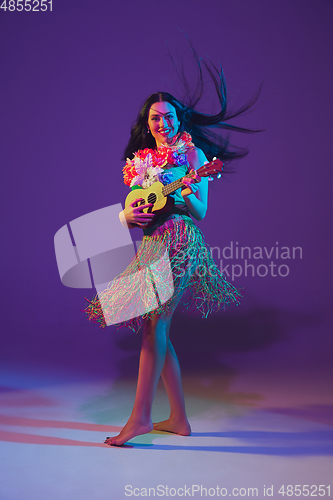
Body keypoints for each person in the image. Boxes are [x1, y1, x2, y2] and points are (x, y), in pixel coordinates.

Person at [84, 59, 260, 446]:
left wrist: (183, 189)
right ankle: (179, 419)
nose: (162, 124)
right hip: (151, 243)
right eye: (154, 119)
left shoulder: (193, 158)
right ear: (147, 125)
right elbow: (136, 211)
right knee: (158, 329)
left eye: (167, 117)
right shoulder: (143, 163)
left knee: (153, 327)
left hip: (180, 240)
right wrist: (125, 213)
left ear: (179, 120)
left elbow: (200, 212)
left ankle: (140, 419)